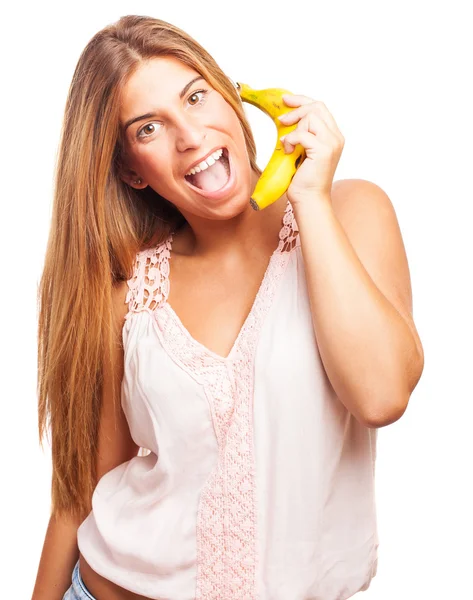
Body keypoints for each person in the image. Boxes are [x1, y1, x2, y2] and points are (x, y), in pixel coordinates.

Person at [32, 14, 424, 600]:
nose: (189, 135)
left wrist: (310, 199)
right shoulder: (129, 298)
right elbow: (83, 490)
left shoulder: (350, 213)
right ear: (130, 173)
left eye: (195, 96)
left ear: (231, 99)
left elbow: (381, 394)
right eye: (148, 129)